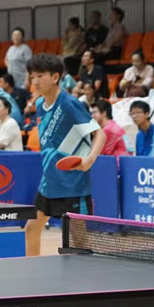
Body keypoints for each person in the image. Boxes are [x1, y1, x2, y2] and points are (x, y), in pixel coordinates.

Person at [23, 54, 103, 257]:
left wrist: (89, 159)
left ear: (55, 77)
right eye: (32, 77)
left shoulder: (69, 104)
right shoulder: (39, 105)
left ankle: (85, 277)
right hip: (49, 182)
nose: (35, 81)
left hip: (73, 184)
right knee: (32, 229)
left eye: (40, 76)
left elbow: (99, 134)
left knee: (78, 242)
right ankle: (32, 272)